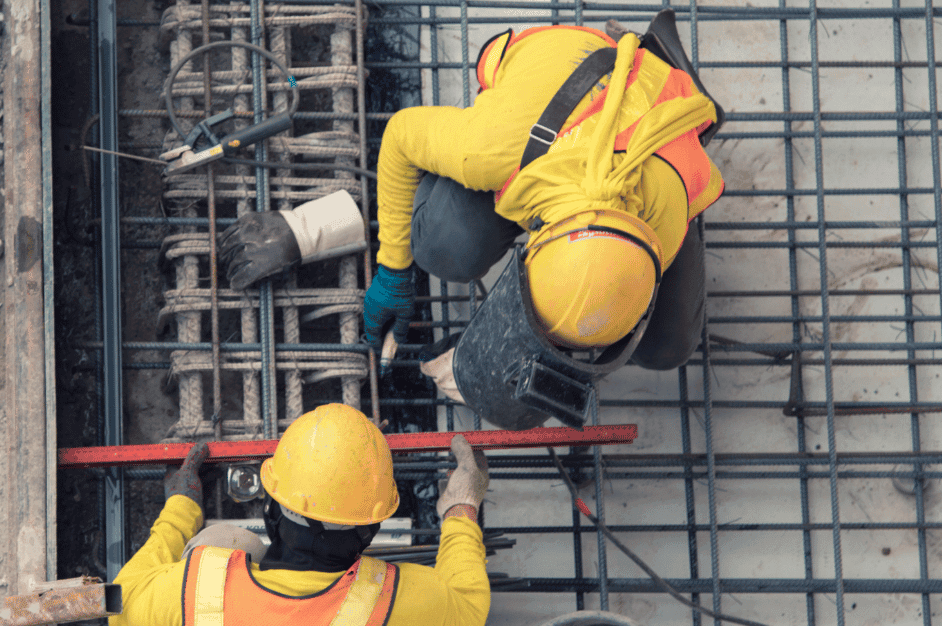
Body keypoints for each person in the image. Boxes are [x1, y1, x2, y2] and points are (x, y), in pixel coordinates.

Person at [220, 12, 724, 428]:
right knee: (442, 245)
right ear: (535, 241)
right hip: (563, 77)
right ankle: (640, 53)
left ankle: (667, 69)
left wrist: (496, 362)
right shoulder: (493, 148)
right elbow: (399, 138)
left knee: (668, 347)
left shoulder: (672, 204)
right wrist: (394, 268)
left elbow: (594, 310)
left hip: (655, 135)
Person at [109, 403, 492, 626]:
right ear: (372, 532)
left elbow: (120, 615)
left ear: (270, 512)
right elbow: (469, 620)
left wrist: (180, 508)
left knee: (225, 542)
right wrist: (462, 506)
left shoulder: (204, 583)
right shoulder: (405, 600)